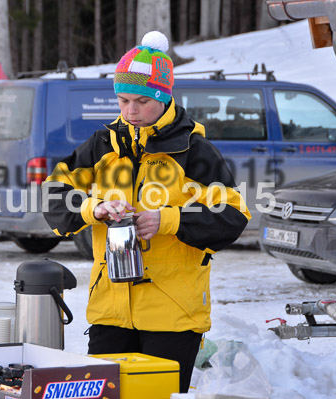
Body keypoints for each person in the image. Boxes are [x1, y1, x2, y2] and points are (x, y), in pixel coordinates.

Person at [42, 31, 251, 393]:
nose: (130, 111)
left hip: (173, 316)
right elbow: (52, 194)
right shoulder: (103, 143)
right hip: (110, 312)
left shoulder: (194, 150)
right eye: (122, 100)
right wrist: (95, 208)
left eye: (141, 101)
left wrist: (168, 220)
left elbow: (233, 215)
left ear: (165, 97)